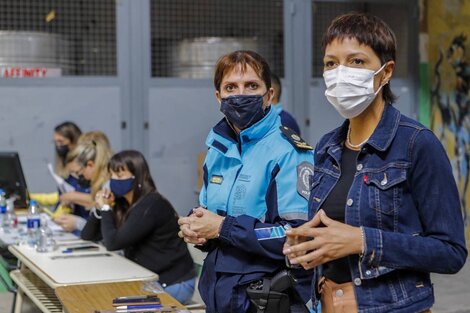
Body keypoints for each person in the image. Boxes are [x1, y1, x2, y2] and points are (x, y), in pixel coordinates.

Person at [283, 13, 467, 313]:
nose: (341, 73)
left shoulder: (417, 144)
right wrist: (307, 247)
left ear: (385, 72)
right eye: (331, 63)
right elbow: (329, 236)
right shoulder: (326, 147)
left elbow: (451, 252)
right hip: (328, 302)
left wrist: (362, 241)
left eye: (356, 61)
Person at [178, 50, 315, 313]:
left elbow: (297, 235)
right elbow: (211, 214)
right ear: (219, 97)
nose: (240, 94)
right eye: (231, 87)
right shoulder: (217, 151)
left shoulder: (289, 153)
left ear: (269, 96)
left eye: (251, 85)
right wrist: (197, 227)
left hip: (267, 299)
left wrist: (222, 228)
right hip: (220, 294)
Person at [81, 150, 196, 304]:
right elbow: (88, 235)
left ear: (137, 177)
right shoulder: (124, 203)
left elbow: (112, 243)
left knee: (108, 302)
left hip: (172, 283)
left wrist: (106, 209)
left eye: (120, 176)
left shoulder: (151, 205)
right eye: (112, 176)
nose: (114, 181)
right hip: (147, 279)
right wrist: (100, 208)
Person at [54, 131, 113, 232]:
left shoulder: (108, 185)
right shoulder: (99, 182)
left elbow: (106, 230)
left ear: (90, 165)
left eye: (79, 173)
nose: (79, 177)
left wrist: (77, 223)